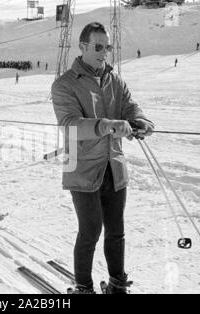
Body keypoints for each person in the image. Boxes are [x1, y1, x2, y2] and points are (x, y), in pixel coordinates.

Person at [51, 22, 154, 294]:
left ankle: (118, 284)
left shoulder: (114, 79)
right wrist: (105, 125)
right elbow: (70, 123)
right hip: (82, 167)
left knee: (116, 230)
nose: (104, 52)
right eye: (98, 46)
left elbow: (131, 106)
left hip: (114, 165)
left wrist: (140, 121)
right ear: (82, 47)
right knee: (90, 231)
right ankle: (83, 287)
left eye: (107, 46)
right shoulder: (65, 84)